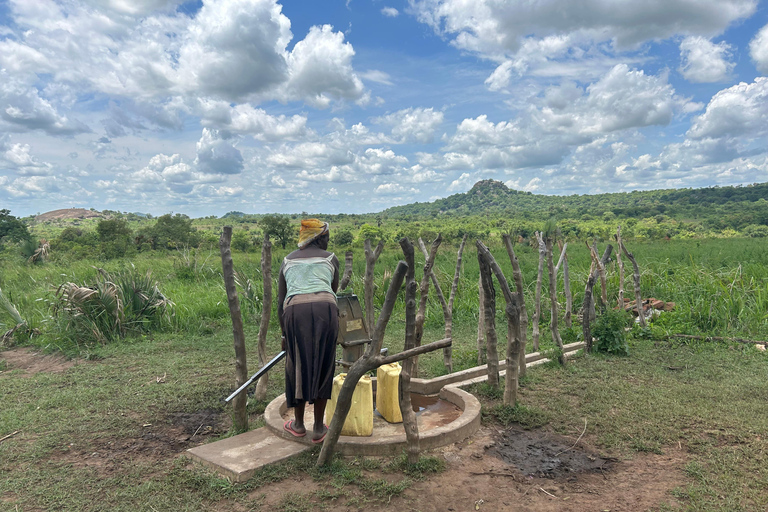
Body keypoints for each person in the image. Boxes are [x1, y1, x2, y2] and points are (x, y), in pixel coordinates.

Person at [278, 218, 339, 443]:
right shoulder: (331, 258)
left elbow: (280, 299)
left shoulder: (287, 260)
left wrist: (284, 334)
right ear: (320, 238)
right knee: (325, 363)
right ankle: (319, 428)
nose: (328, 242)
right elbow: (332, 291)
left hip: (295, 312)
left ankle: (299, 424)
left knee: (296, 365)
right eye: (327, 238)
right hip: (326, 309)